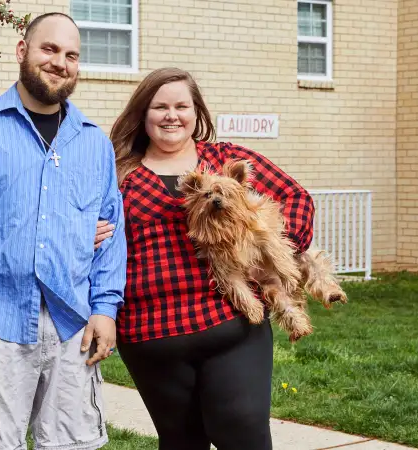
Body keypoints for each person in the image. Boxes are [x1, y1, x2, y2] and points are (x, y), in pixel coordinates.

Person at [0, 12, 127, 450]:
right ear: (22, 51)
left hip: (74, 326)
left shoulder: (93, 142)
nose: (60, 62)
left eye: (71, 55)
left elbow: (111, 233)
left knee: (73, 444)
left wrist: (105, 308)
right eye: (49, 49)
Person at [96, 67, 316, 450]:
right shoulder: (117, 173)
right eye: (159, 106)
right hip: (150, 334)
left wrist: (273, 253)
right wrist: (85, 237)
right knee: (182, 442)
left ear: (197, 113)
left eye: (182, 105)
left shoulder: (226, 161)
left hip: (230, 324)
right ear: (142, 114)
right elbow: (77, 231)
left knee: (243, 431)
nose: (171, 115)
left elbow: (296, 198)